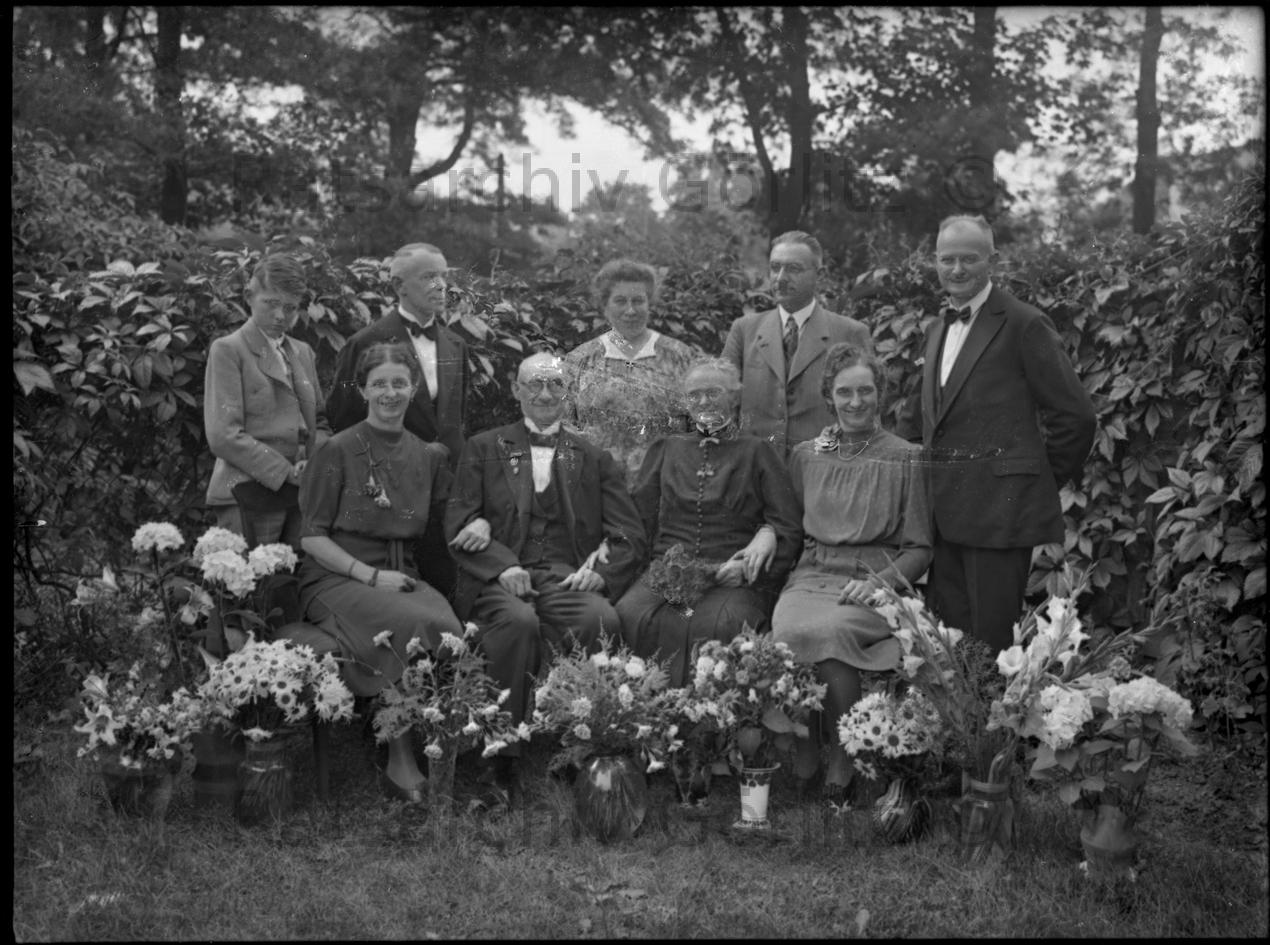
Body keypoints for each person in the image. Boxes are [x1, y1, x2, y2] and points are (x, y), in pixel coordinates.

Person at [445, 352, 646, 750]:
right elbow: (458, 522)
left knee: (599, 618)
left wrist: (601, 573)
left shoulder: (592, 456)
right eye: (535, 383)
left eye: (556, 384)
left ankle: (583, 742)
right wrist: (502, 566)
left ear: (567, 393)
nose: (546, 393)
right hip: (498, 580)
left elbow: (629, 532)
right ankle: (500, 745)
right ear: (516, 390)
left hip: (563, 575)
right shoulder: (483, 447)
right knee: (518, 622)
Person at [920, 215, 1096, 652]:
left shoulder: (1024, 324)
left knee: (994, 652)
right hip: (943, 519)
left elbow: (1076, 417)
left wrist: (1030, 483)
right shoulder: (937, 329)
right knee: (953, 650)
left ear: (993, 261)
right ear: (935, 262)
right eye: (947, 259)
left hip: (1001, 518)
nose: (956, 269)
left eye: (969, 259)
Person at [298, 342, 463, 804]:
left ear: (414, 389)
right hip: (336, 577)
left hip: (400, 575)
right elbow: (311, 538)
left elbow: (451, 520)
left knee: (449, 627)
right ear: (363, 389)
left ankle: (438, 740)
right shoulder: (336, 449)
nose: (390, 393)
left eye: (399, 383)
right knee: (408, 622)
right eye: (379, 384)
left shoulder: (429, 455)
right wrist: (369, 577)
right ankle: (398, 754)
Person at [771, 343, 933, 800]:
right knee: (789, 631)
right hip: (812, 576)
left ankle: (845, 753)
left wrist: (880, 583)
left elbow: (920, 548)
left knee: (834, 633)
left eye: (865, 391)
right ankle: (806, 747)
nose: (856, 402)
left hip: (874, 581)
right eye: (845, 392)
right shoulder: (807, 454)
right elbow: (789, 525)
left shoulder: (906, 457)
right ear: (829, 396)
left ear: (880, 393)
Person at [616, 358, 802, 686]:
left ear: (734, 397)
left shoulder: (757, 451)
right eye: (695, 395)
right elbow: (637, 521)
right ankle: (640, 710)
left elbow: (787, 525)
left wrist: (749, 567)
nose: (704, 402)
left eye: (714, 393)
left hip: (732, 578)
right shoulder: (666, 449)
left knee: (721, 623)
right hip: (667, 575)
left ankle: (711, 715)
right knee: (629, 613)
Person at [325, 242, 469, 597]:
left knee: (450, 585)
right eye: (429, 276)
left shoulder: (456, 345)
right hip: (390, 496)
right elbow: (342, 419)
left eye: (444, 276)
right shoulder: (365, 342)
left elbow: (455, 422)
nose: (441, 286)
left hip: (446, 495)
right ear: (398, 286)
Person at [204, 252, 330, 548]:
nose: (280, 316)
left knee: (295, 572)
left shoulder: (302, 352)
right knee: (249, 574)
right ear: (249, 296)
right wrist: (285, 472)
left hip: (299, 495)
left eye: (290, 308)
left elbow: (320, 421)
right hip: (247, 493)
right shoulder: (228, 350)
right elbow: (223, 435)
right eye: (271, 303)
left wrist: (312, 463)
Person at [722, 231, 874, 458]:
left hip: (824, 468)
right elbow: (724, 403)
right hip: (757, 470)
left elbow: (868, 415)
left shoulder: (850, 333)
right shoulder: (744, 330)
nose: (780, 278)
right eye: (775, 268)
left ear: (820, 275)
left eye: (793, 269)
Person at [563, 259, 697, 485]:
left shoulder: (680, 356)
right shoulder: (581, 360)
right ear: (605, 306)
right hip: (598, 488)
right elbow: (565, 428)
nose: (630, 310)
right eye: (620, 301)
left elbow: (698, 424)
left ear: (649, 303)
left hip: (667, 488)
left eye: (638, 301)